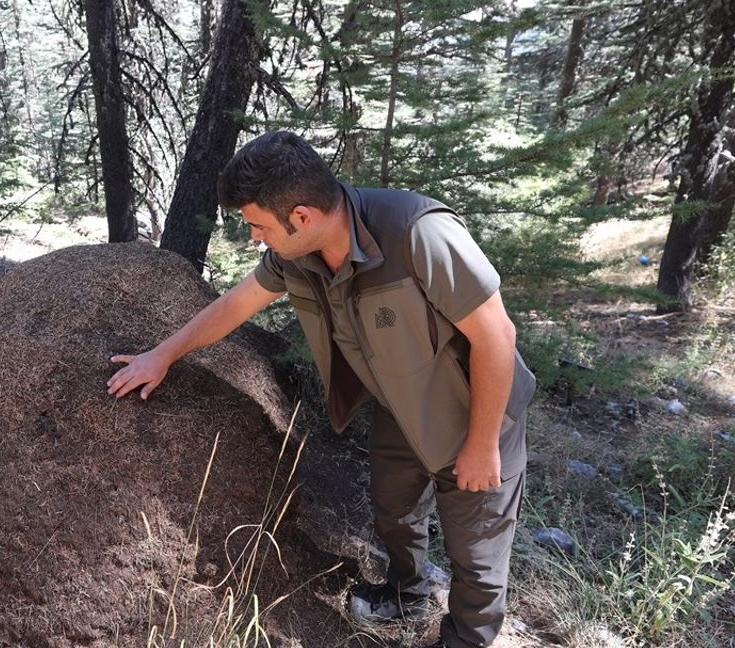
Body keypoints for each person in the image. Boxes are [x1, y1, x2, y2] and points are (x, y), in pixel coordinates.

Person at [107, 131, 535, 648]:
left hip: (476, 412)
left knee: (477, 551)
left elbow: (496, 335)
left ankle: (467, 638)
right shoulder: (297, 253)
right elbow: (235, 305)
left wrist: (483, 443)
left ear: (302, 216)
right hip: (400, 408)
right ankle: (407, 594)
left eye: (259, 226)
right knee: (394, 511)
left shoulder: (417, 233)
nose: (255, 238)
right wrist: (163, 354)